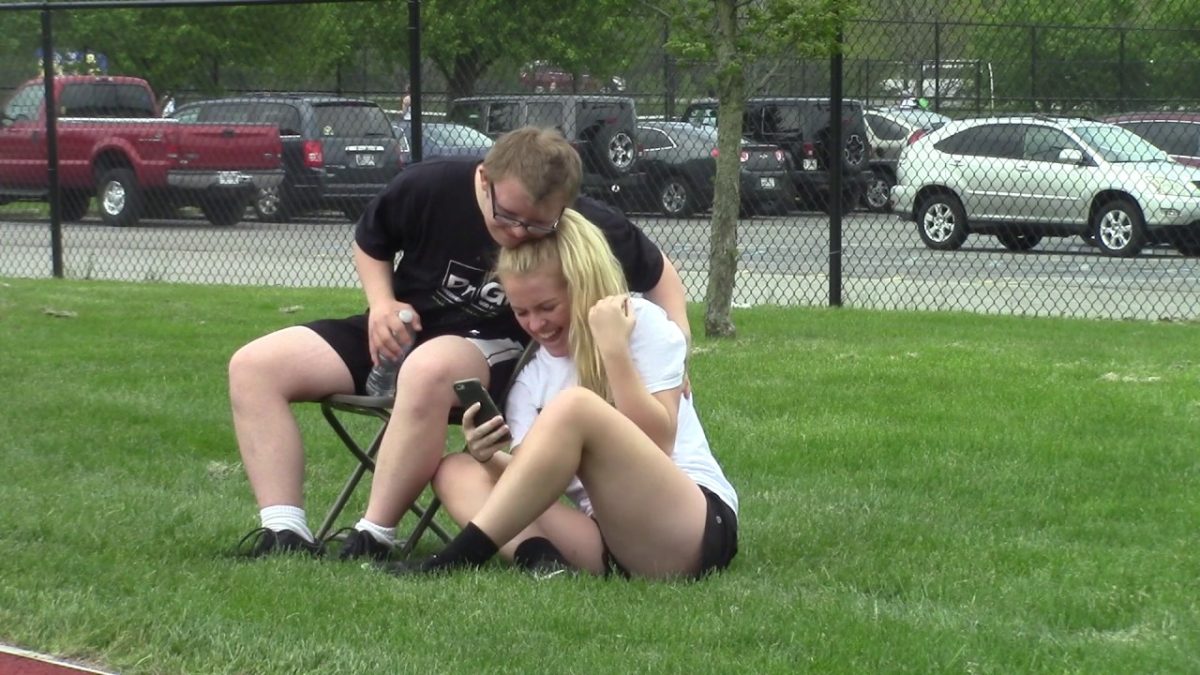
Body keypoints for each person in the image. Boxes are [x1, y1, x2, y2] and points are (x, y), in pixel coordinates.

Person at [229, 126, 691, 558]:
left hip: (494, 352)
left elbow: (658, 274)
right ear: (484, 179)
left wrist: (678, 350)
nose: (516, 234)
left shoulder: (579, 220)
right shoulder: (431, 186)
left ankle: (373, 535)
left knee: (430, 367)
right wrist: (382, 304)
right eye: (508, 216)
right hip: (404, 328)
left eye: (536, 227)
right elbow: (371, 240)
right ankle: (283, 530)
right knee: (256, 366)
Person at [388, 208, 737, 580]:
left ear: (581, 286)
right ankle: (542, 562)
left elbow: (657, 441)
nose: (536, 325)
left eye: (547, 307)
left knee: (575, 406)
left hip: (690, 527)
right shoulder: (531, 379)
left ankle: (455, 559)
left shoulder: (641, 324)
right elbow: (532, 483)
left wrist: (614, 350)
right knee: (456, 469)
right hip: (610, 541)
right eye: (521, 311)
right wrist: (488, 457)